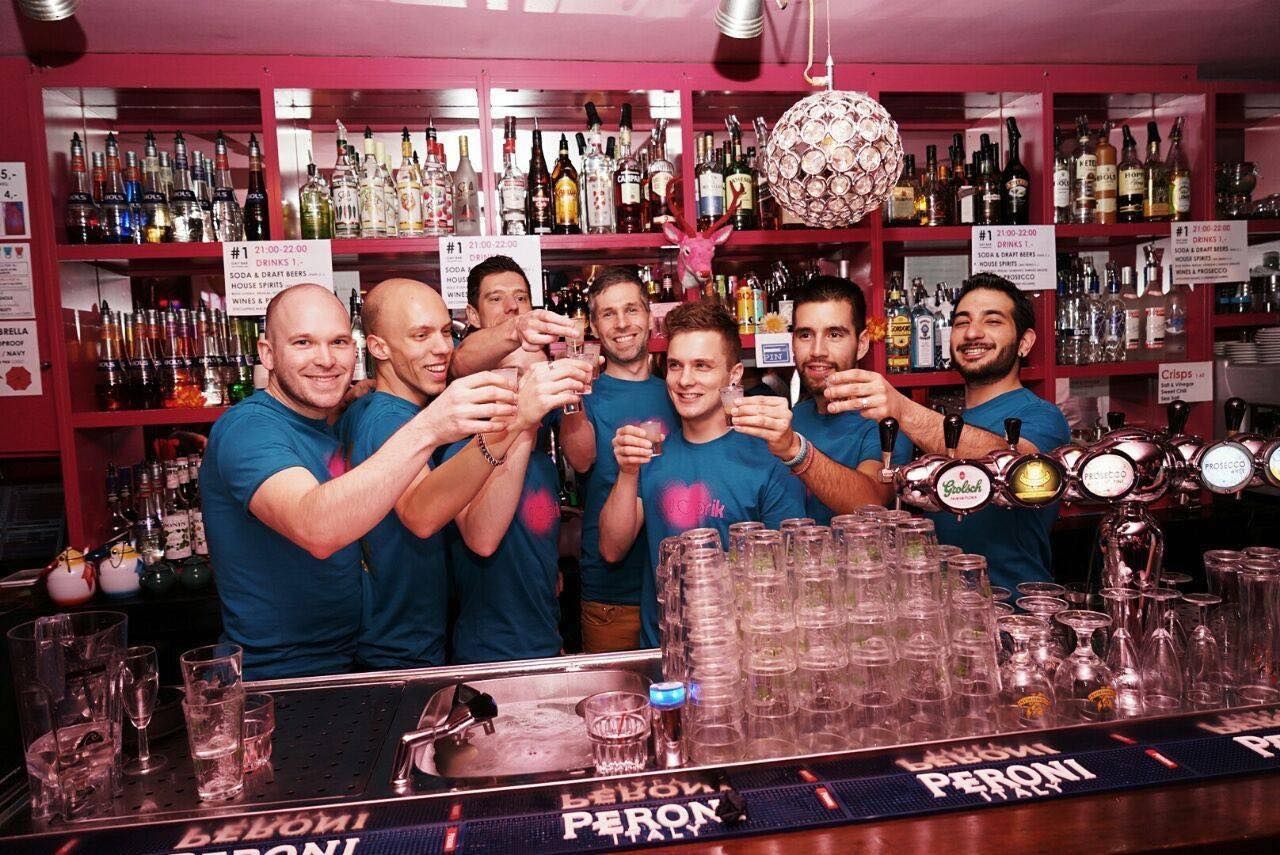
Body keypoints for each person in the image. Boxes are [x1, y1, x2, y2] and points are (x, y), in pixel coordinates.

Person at [201, 283, 517, 679]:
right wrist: (430, 427)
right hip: (277, 679)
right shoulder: (248, 427)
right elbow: (315, 526)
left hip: (344, 663)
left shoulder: (326, 420)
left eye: (337, 342)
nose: (326, 359)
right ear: (267, 353)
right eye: (303, 342)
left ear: (357, 349)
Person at [335, 278, 583, 670]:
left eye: (446, 332)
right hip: (397, 652)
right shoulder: (389, 418)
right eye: (421, 335)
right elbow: (423, 515)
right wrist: (519, 421)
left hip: (419, 640)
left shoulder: (401, 411)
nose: (441, 348)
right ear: (378, 347)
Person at [822, 272, 1071, 590]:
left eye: (992, 321)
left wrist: (902, 408)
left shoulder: (1041, 416)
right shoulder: (945, 424)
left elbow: (1015, 465)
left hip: (1013, 611)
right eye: (961, 322)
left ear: (1025, 342)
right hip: (945, 613)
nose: (972, 333)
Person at [599, 301, 807, 647]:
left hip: (742, 657)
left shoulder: (768, 458)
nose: (685, 380)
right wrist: (626, 472)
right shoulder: (653, 452)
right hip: (664, 655)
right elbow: (611, 548)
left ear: (734, 375)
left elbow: (794, 574)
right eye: (676, 365)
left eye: (702, 366)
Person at [444, 259, 592, 663]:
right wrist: (526, 416)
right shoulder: (463, 421)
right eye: (497, 298)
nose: (512, 307)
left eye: (521, 298)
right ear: (472, 316)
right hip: (487, 654)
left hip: (544, 643)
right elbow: (483, 538)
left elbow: (581, 461)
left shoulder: (541, 440)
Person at [558, 267, 677, 653]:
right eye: (608, 314)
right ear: (593, 325)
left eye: (631, 310)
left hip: (679, 588)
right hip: (612, 596)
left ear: (649, 316)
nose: (622, 323)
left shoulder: (681, 390)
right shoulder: (583, 396)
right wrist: (572, 393)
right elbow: (580, 459)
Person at [731, 276, 912, 524]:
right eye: (805, 334)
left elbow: (871, 503)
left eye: (834, 334)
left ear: (861, 344)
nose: (817, 350)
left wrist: (795, 450)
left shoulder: (884, 421)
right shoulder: (796, 416)